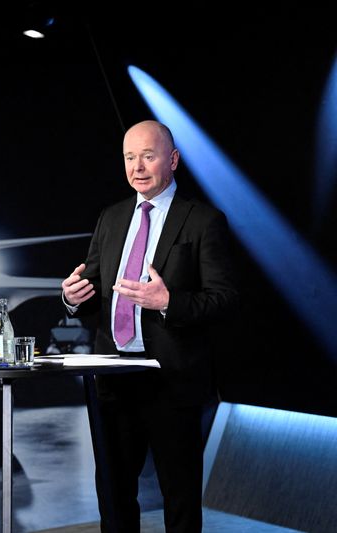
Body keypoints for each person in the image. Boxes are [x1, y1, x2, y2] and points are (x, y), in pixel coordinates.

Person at [61, 120, 238, 532]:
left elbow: (226, 299)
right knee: (114, 494)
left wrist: (169, 302)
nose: (137, 167)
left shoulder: (203, 221)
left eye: (148, 156)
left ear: (172, 160)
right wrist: (71, 297)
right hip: (113, 376)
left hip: (171, 381)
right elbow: (94, 290)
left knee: (179, 500)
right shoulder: (111, 217)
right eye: (129, 157)